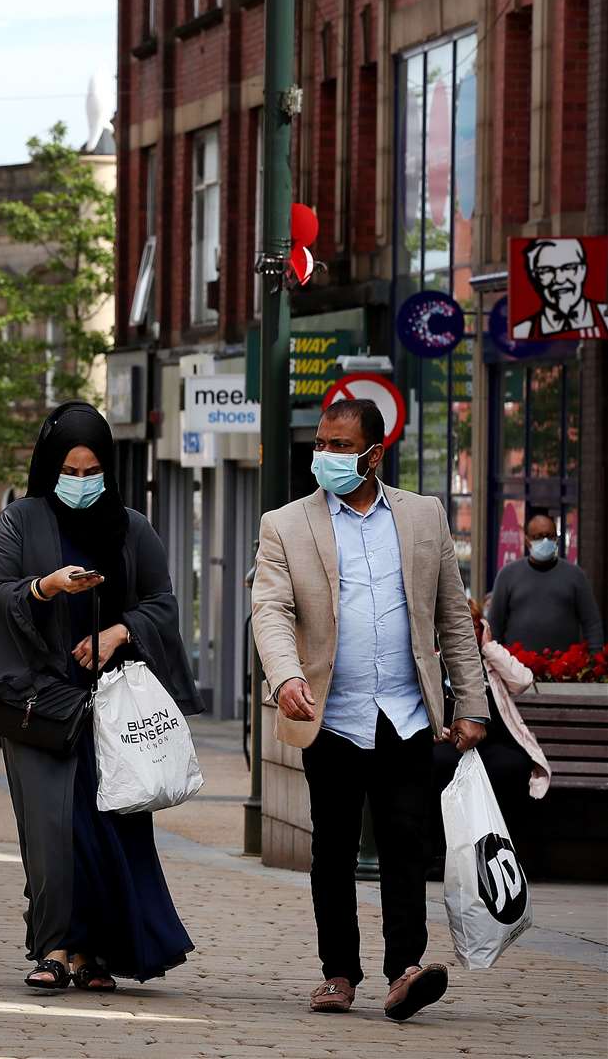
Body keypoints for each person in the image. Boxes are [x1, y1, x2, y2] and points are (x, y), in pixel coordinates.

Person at [251, 398, 487, 1021]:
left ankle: (406, 968)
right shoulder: (286, 524)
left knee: (407, 842)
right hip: (330, 714)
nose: (323, 455)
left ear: (374, 454)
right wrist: (286, 676)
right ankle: (338, 973)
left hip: (405, 714)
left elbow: (453, 619)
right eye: (320, 443)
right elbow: (270, 611)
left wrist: (472, 703)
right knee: (331, 847)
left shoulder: (423, 517)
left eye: (337, 446)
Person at [0, 401, 201, 992]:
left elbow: (162, 603)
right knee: (51, 830)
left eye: (91, 470)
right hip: (40, 704)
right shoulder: (19, 522)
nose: (80, 482)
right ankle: (53, 946)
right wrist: (43, 588)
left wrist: (119, 630)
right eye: (70, 470)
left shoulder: (131, 527)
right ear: (49, 466)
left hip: (111, 706)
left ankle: (92, 952)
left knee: (108, 829)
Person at [429, 601, 551, 862]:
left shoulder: (491, 663)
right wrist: (440, 730)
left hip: (493, 742)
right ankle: (444, 854)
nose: (465, 631)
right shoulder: (435, 661)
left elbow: (523, 680)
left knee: (514, 766)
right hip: (451, 743)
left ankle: (505, 853)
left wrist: (488, 646)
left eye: (472, 625)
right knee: (439, 765)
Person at [488, 513, 604, 653]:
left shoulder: (575, 576)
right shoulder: (507, 575)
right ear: (527, 540)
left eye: (550, 536)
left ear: (556, 539)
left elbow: (592, 623)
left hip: (565, 669)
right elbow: (494, 626)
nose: (545, 541)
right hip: (516, 669)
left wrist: (594, 660)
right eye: (538, 537)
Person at [511, 238, 608, 340]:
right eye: (546, 270)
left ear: (583, 270)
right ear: (534, 277)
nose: (559, 279)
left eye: (569, 267)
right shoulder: (522, 331)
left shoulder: (605, 317)